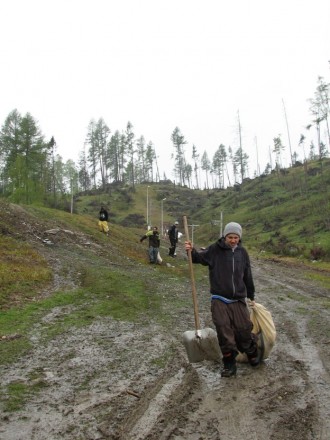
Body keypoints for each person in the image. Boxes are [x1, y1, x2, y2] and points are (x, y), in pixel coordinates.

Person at [184, 222, 261, 378]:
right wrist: (190, 251)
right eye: (230, 237)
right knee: (223, 329)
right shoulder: (215, 250)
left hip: (238, 298)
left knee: (243, 329)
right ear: (225, 236)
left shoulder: (242, 253)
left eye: (236, 237)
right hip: (219, 298)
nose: (233, 240)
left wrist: (251, 295)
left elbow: (247, 275)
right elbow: (199, 258)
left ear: (239, 238)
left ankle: (252, 352)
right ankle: (229, 365)